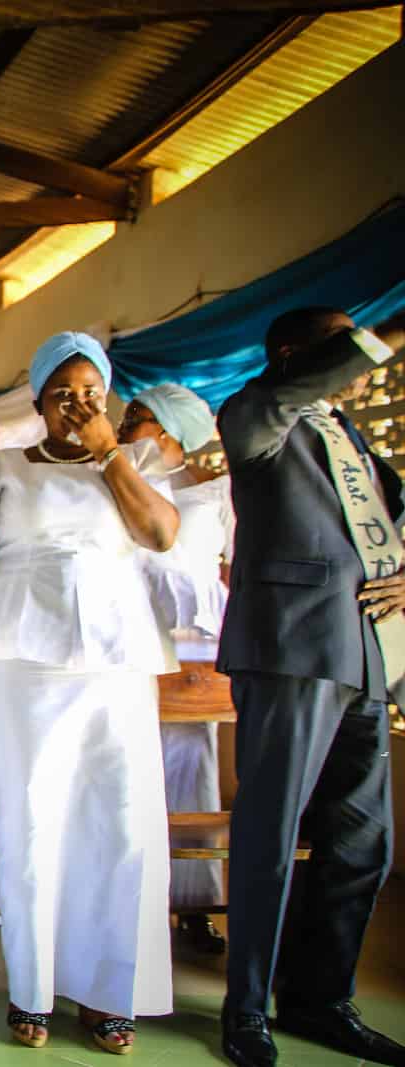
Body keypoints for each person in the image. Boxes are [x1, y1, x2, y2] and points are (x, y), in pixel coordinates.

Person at [0, 331, 180, 1054]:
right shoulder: (8, 465)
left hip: (115, 659)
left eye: (90, 392)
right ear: (40, 401)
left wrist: (109, 450)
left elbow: (160, 534)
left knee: (121, 820)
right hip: (23, 658)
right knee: (33, 819)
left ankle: (111, 993)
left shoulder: (134, 459)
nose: (78, 404)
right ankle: (32, 989)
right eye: (63, 393)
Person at [215, 307, 405, 1067]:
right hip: (289, 648)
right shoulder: (257, 415)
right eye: (341, 339)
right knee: (270, 833)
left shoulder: (350, 436)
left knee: (363, 840)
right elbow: (309, 383)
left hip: (365, 654)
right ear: (298, 353)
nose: (355, 360)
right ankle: (246, 1008)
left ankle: (320, 999)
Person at [116, 382, 233, 954]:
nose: (122, 421)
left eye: (137, 416)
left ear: (169, 434)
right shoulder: (115, 479)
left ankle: (191, 905)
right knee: (121, 769)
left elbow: (234, 569)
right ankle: (125, 899)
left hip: (197, 647)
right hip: (129, 634)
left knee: (190, 773)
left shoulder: (214, 492)